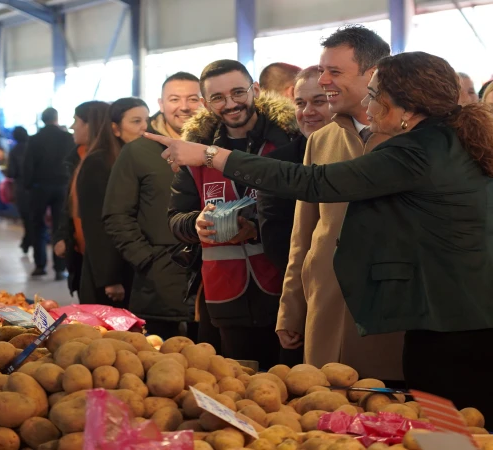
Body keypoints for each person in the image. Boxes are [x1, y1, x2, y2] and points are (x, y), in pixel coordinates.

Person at [153, 51, 493, 421]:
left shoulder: (417, 151)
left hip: (451, 324)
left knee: (451, 427)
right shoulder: (449, 140)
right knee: (458, 425)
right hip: (462, 315)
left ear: (405, 107)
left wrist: (209, 155)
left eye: (374, 94)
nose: (367, 102)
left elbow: (314, 181)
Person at [273, 25, 404, 381]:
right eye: (321, 70)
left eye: (335, 72)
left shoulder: (413, 139)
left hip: (389, 316)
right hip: (326, 308)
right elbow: (304, 235)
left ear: (374, 73)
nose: (323, 80)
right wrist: (290, 309)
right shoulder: (321, 141)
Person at [168, 59, 299, 369]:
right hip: (224, 296)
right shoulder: (194, 150)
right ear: (205, 103)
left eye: (238, 92)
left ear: (254, 90)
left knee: (291, 384)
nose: (230, 104)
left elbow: (307, 210)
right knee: (239, 385)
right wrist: (194, 225)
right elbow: (175, 218)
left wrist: (257, 227)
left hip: (284, 290)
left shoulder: (288, 142)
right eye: (217, 98)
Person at [102, 73, 202, 341]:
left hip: (214, 283)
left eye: (193, 98)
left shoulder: (216, 147)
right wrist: (148, 261)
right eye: (174, 99)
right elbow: (116, 214)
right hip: (158, 283)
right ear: (161, 103)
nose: (184, 106)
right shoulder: (139, 151)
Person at [256, 66, 334, 271]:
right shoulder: (277, 163)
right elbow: (277, 245)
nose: (308, 111)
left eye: (319, 101)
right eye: (300, 103)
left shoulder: (362, 152)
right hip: (305, 282)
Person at [77, 98, 148, 307]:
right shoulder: (99, 162)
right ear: (115, 129)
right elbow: (96, 224)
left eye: (147, 120)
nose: (145, 127)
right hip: (110, 271)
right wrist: (110, 278)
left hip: (134, 265)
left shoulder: (141, 158)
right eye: (136, 121)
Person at [54, 101, 109, 297]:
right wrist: (64, 236)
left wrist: (110, 276)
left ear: (91, 124)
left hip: (101, 260)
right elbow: (70, 205)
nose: (72, 127)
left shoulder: (102, 161)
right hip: (83, 255)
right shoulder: (78, 157)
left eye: (76, 121)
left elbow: (103, 218)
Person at [23, 107, 76, 280]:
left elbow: (28, 165)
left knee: (38, 225)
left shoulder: (35, 139)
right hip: (63, 186)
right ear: (56, 118)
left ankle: (40, 265)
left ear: (42, 120)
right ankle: (60, 267)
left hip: (40, 187)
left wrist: (28, 186)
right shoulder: (67, 138)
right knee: (60, 227)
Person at [6, 126, 32, 253]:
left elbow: (11, 172)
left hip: (21, 187)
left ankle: (27, 242)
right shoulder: (34, 147)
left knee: (26, 217)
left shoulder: (15, 150)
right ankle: (30, 241)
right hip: (35, 188)